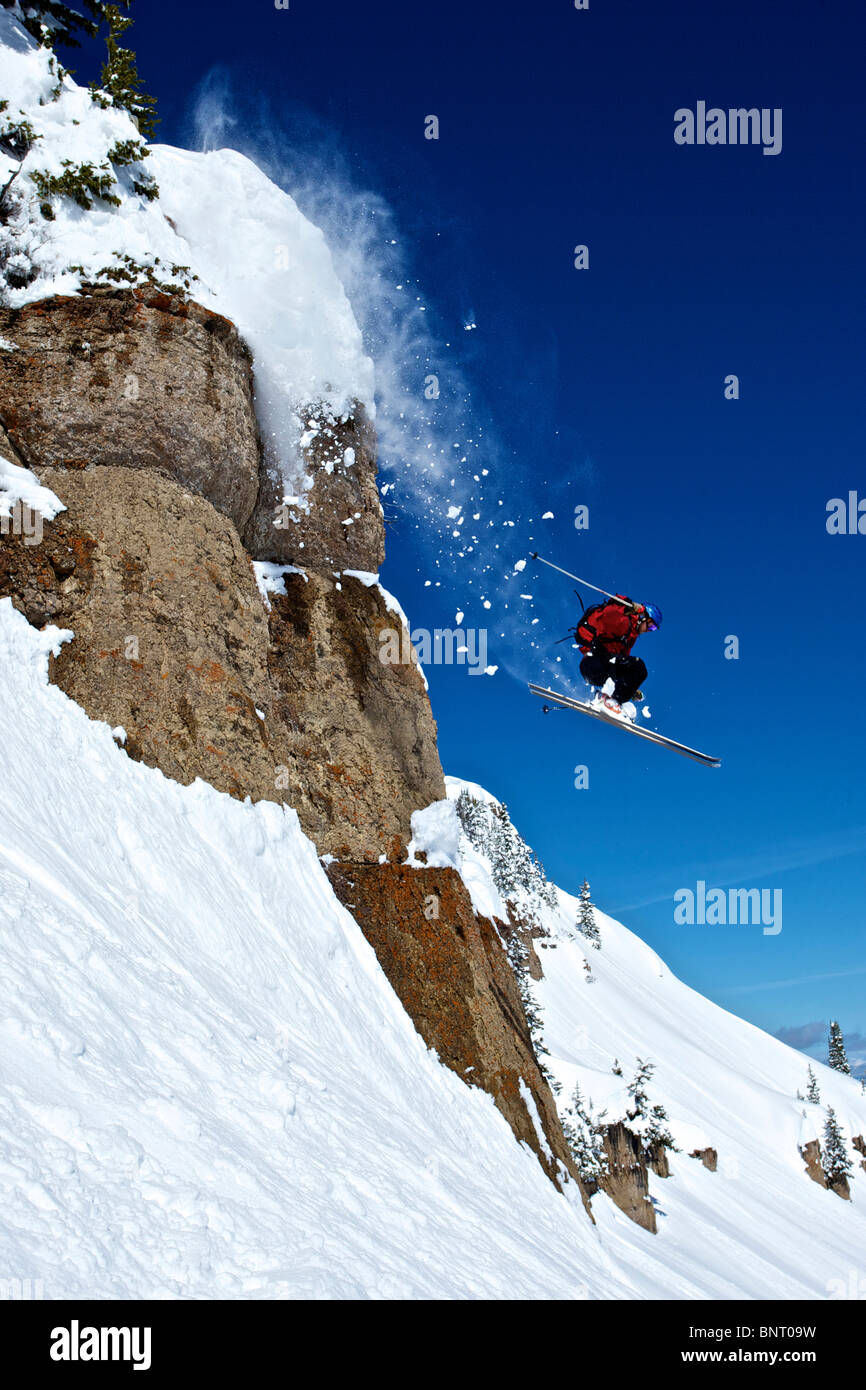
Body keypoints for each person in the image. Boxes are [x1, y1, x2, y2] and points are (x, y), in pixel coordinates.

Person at [576, 595, 662, 708]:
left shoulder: (630, 637)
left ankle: (610, 701)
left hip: (603, 668)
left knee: (638, 670)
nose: (649, 630)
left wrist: (630, 687)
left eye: (653, 629)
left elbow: (623, 662)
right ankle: (611, 702)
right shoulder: (625, 620)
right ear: (643, 617)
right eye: (650, 625)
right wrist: (628, 607)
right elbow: (610, 613)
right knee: (639, 666)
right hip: (593, 663)